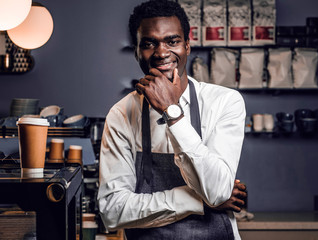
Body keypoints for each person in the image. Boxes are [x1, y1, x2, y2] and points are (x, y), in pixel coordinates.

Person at [97, 0, 247, 239]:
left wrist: (172, 111)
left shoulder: (225, 102)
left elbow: (217, 191)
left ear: (187, 45)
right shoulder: (121, 114)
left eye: (172, 41)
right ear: (136, 51)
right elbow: (113, 211)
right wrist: (199, 200)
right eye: (149, 43)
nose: (162, 52)